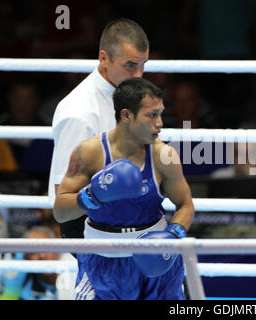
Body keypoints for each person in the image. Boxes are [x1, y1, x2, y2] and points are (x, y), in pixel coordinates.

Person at [53, 77, 194, 300]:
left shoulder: (163, 155)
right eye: (151, 115)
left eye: (160, 113)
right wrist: (92, 195)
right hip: (101, 257)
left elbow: (185, 205)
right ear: (126, 115)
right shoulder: (89, 153)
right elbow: (60, 212)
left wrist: (173, 235)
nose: (160, 123)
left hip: (155, 255)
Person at [48, 18, 150, 240]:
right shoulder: (80, 113)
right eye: (130, 65)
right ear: (104, 58)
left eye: (143, 64)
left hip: (128, 222)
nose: (139, 74)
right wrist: (101, 191)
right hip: (89, 230)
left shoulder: (127, 96)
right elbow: (62, 201)